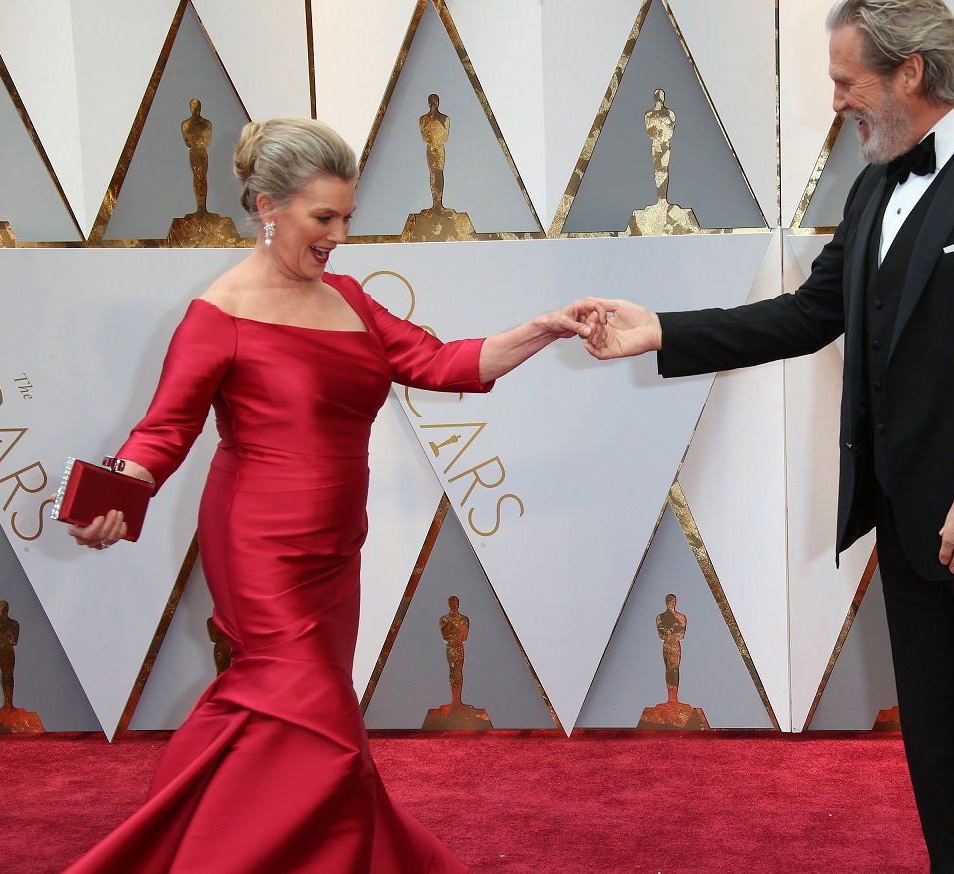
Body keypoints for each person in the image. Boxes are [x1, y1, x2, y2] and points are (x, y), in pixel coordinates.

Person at [582, 1, 954, 871]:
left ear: (911, 72)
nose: (836, 102)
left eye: (843, 81)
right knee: (938, 752)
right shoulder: (874, 183)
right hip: (908, 523)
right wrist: (663, 332)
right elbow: (809, 314)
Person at [64, 116, 594, 873]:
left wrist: (543, 328)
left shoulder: (348, 298)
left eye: (347, 217)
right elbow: (163, 432)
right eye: (323, 218)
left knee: (280, 719)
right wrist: (123, 490)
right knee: (315, 721)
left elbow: (443, 363)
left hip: (336, 550)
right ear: (266, 206)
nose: (339, 234)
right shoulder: (218, 314)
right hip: (260, 551)